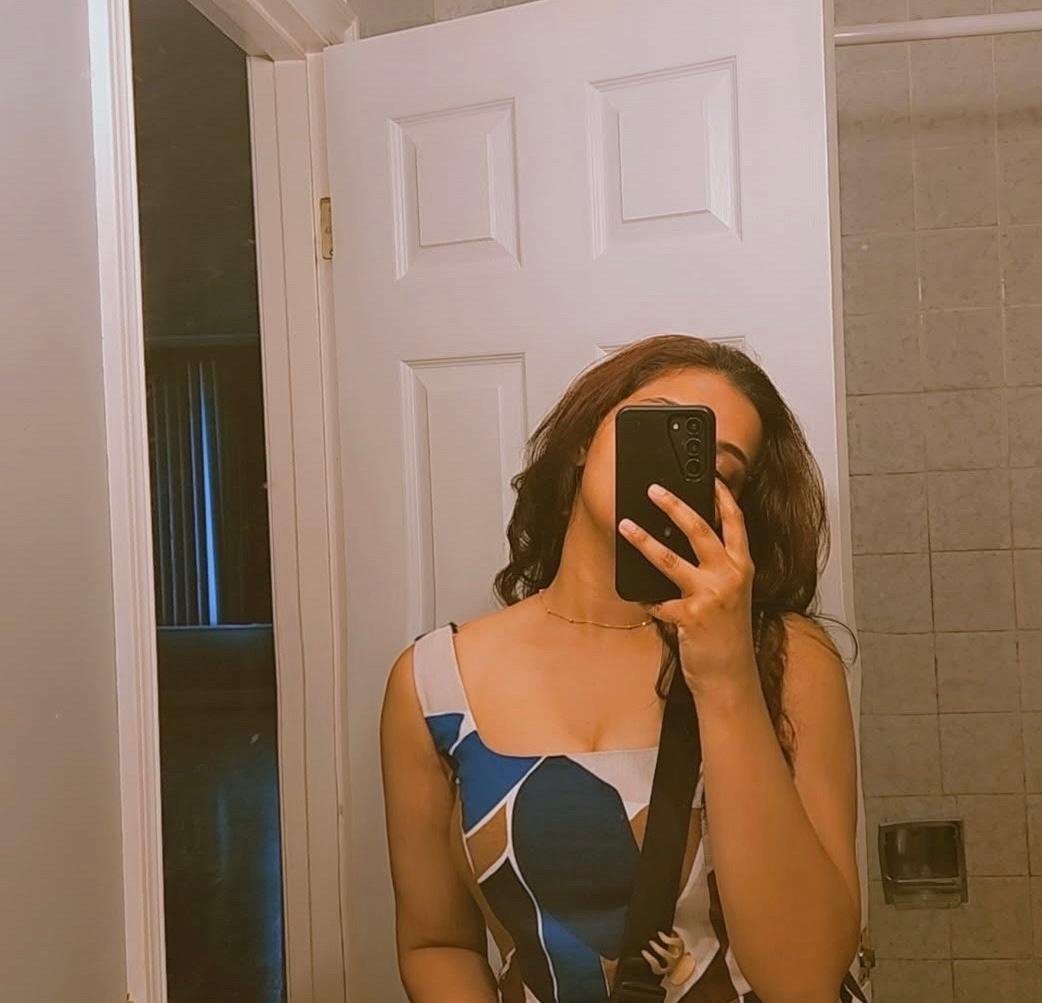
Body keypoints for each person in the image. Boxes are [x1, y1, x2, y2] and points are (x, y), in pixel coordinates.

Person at [379, 333, 867, 1003]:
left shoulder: (788, 658)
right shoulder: (435, 682)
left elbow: (803, 980)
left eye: (717, 470)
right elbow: (437, 943)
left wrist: (726, 678)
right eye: (653, 430)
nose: (672, 473)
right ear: (586, 438)